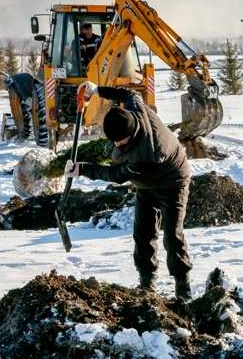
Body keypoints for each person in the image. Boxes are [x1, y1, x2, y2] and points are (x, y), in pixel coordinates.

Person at [64, 82, 193, 301]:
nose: (117, 145)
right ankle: (147, 281)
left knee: (172, 235)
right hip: (146, 184)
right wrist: (97, 90)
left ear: (131, 133)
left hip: (172, 182)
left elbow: (116, 175)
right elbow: (129, 92)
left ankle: (183, 286)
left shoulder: (147, 153)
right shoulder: (134, 108)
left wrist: (82, 169)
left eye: (120, 141)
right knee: (143, 233)